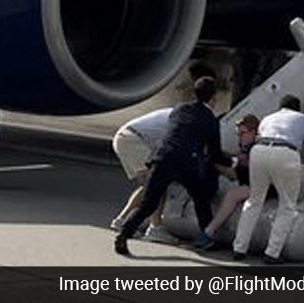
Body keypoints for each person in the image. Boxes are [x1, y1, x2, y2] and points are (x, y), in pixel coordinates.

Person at [115, 77, 229, 256]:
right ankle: (206, 238)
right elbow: (215, 154)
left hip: (162, 158)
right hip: (186, 164)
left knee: (148, 203)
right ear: (213, 97)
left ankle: (124, 235)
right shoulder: (210, 120)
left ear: (195, 93)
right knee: (200, 198)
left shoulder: (179, 109)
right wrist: (233, 162)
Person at [231, 94, 304, 264]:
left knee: (254, 200)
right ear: (298, 109)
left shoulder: (268, 118)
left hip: (259, 150)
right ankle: (272, 253)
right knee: (287, 206)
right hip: (286, 152)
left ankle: (239, 248)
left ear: (281, 107)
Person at [109, 106, 176, 244]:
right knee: (157, 184)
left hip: (126, 137)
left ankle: (122, 220)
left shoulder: (173, 112)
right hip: (134, 140)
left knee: (147, 186)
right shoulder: (182, 118)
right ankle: (155, 228)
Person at [194, 113, 259, 252]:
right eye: (238, 134)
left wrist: (224, 157)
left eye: (242, 134)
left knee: (232, 194)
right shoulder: (247, 146)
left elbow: (243, 160)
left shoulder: (256, 147)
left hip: (261, 184)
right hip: (248, 180)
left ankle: (209, 232)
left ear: (253, 132)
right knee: (213, 163)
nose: (240, 138)